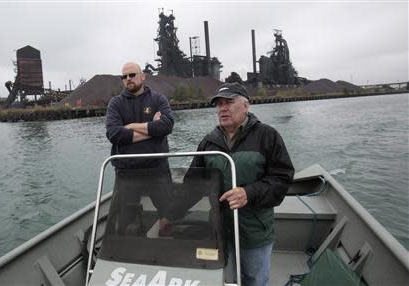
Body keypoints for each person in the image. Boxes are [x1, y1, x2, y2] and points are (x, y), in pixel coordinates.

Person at [163, 82, 294, 286]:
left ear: (245, 106)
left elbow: (282, 178)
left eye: (229, 102)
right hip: (219, 230)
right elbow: (192, 186)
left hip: (254, 231)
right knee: (225, 280)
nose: (222, 108)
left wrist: (248, 193)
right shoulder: (208, 143)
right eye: (219, 104)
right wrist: (170, 215)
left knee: (255, 280)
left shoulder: (267, 136)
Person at [105, 62, 174, 232]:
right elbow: (114, 134)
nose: (128, 79)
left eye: (132, 75)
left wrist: (130, 126)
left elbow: (166, 126)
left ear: (142, 76)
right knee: (124, 221)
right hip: (127, 173)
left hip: (157, 170)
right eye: (124, 76)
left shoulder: (158, 99)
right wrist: (152, 128)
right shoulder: (115, 104)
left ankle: (171, 243)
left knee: (170, 215)